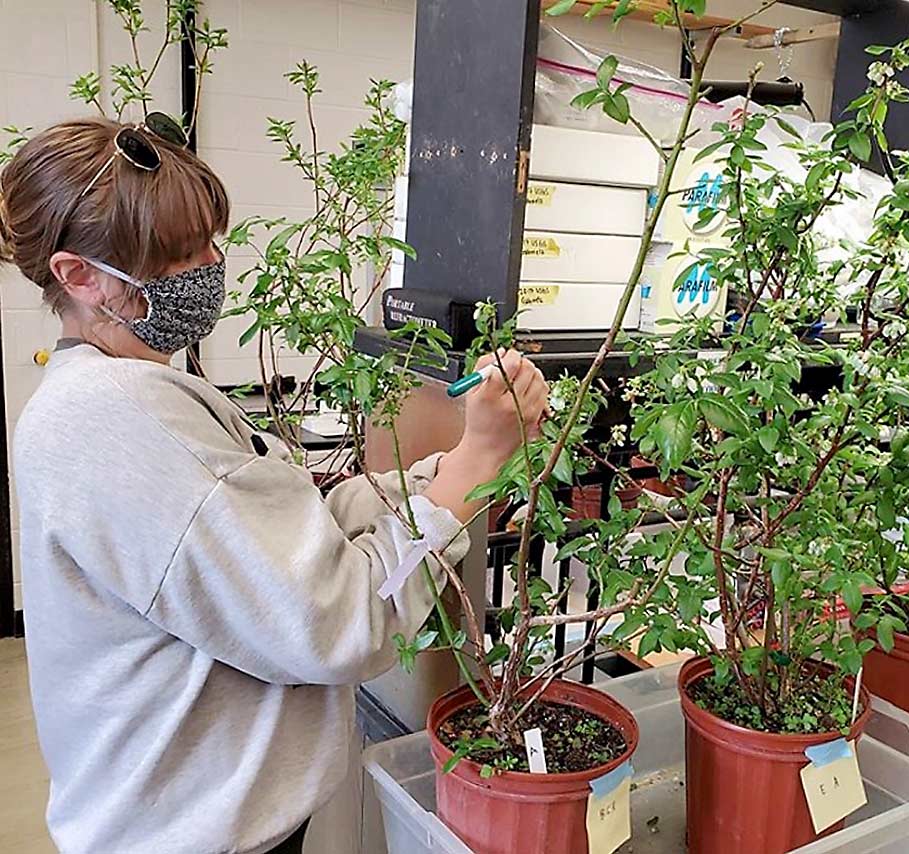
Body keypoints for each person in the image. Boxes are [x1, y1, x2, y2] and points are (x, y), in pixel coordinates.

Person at [0, 117, 549, 854]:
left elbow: (299, 528)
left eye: (209, 241)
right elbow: (338, 621)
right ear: (79, 275)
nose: (209, 264)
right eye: (179, 255)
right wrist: (476, 468)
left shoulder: (115, 392)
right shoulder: (120, 419)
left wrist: (443, 472)